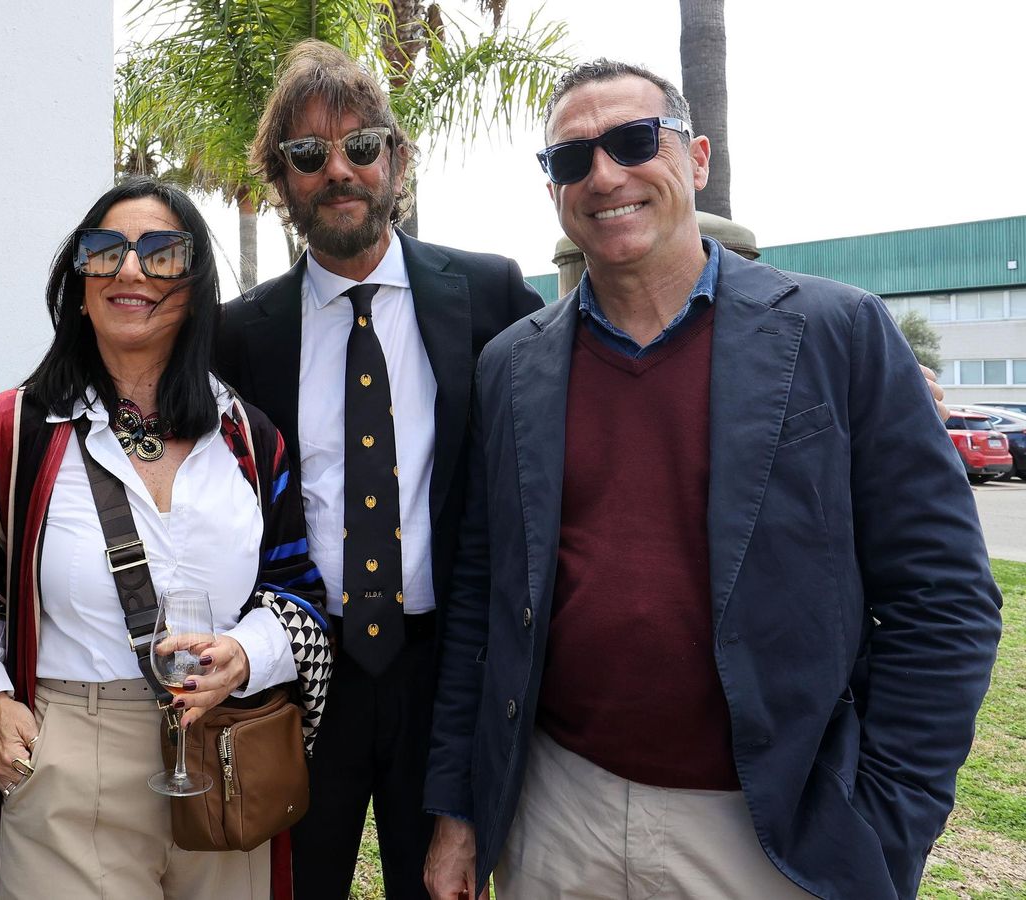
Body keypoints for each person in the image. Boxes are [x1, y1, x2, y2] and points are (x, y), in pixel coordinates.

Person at [423, 58, 1003, 900]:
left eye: (631, 141)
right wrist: (461, 810)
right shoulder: (512, 365)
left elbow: (943, 599)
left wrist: (886, 819)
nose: (606, 175)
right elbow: (482, 603)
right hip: (557, 812)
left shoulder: (839, 333)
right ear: (552, 187)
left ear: (695, 159)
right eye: (572, 158)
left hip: (767, 832)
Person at [213, 40, 543, 900]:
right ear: (279, 180)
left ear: (395, 160)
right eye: (308, 155)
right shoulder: (241, 334)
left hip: (444, 669)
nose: (339, 171)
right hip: (303, 669)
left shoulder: (491, 294)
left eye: (361, 146)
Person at [0, 176, 331, 900]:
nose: (130, 270)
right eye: (104, 252)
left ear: (195, 287)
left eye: (162, 254)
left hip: (225, 751)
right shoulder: (13, 433)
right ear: (79, 284)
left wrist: (245, 657)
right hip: (71, 753)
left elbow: (298, 595)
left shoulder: (251, 441)